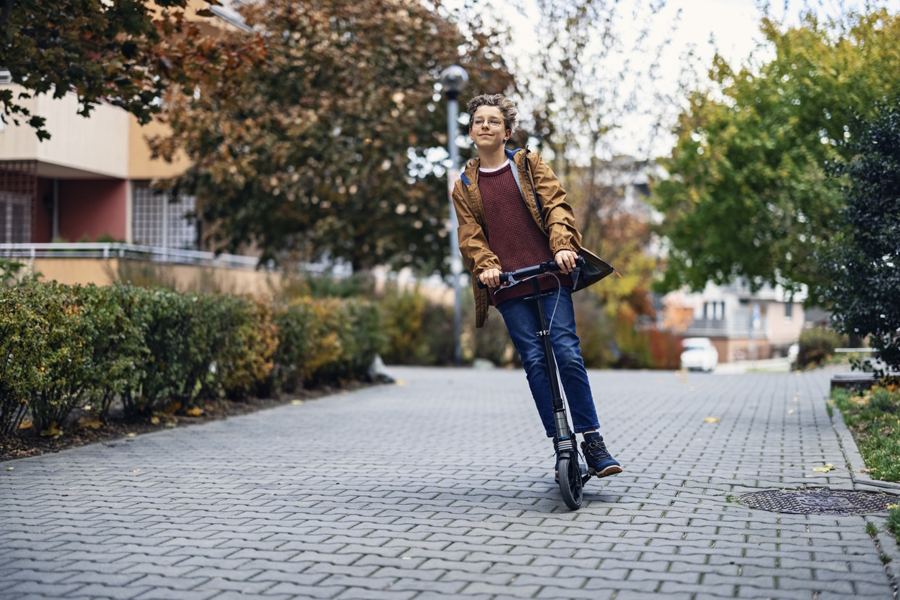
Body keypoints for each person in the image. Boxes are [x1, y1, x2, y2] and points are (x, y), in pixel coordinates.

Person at [450, 93, 623, 479]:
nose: (485, 126)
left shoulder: (527, 165)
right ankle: (562, 442)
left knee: (566, 352)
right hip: (508, 284)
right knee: (535, 362)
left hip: (549, 273)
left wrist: (563, 247)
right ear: (471, 131)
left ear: (506, 131)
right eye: (478, 120)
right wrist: (488, 267)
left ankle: (592, 441)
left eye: (493, 121)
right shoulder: (465, 184)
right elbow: (470, 235)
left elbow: (557, 207)